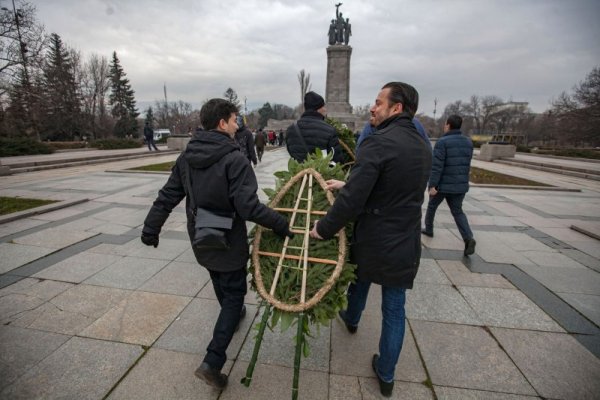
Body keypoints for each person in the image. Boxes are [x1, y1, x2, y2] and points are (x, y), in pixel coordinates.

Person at [140, 98, 293, 390]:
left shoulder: (187, 157)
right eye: (236, 119)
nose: (239, 125)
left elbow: (167, 195)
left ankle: (231, 317)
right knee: (234, 293)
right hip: (228, 240)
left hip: (201, 236)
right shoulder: (235, 159)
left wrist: (151, 228)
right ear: (222, 123)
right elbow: (249, 207)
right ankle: (213, 361)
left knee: (219, 280)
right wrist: (281, 223)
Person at [310, 82, 432, 397]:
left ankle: (351, 318)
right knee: (394, 307)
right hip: (405, 240)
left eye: (378, 102)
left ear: (397, 108)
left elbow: (352, 201)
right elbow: (390, 184)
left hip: (375, 237)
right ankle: (387, 375)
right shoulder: (422, 144)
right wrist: (349, 182)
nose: (371, 108)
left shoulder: (378, 142)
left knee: (361, 278)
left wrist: (323, 228)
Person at [422, 114, 476, 256]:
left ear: (448, 125)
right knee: (458, 212)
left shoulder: (442, 142)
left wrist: (432, 185)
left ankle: (429, 229)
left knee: (432, 206)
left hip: (443, 186)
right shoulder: (468, 142)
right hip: (460, 186)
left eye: (445, 124)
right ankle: (468, 238)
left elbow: (437, 166)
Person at [286, 91, 344, 163]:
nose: (325, 109)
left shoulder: (291, 129)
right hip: (322, 173)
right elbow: (337, 160)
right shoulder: (329, 130)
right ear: (318, 108)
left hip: (299, 173)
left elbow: (291, 153)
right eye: (323, 106)